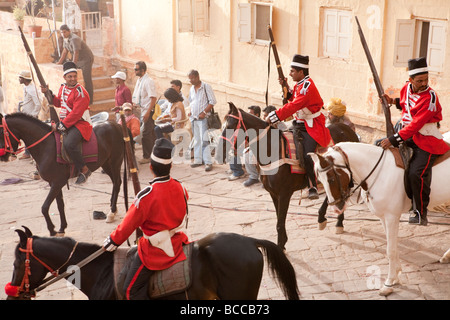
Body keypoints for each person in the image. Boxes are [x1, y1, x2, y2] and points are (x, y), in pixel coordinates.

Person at [103, 138, 189, 300]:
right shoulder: (181, 187)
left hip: (155, 250)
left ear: (151, 168)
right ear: (170, 166)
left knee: (130, 291)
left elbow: (128, 224)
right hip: (177, 241)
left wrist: (112, 241)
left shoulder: (147, 195)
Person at [380, 57, 449, 226]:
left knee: (416, 173)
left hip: (426, 140)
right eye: (420, 80)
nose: (424, 83)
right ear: (410, 80)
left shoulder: (431, 97)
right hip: (406, 135)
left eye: (426, 79)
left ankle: (419, 212)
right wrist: (392, 101)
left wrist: (394, 139)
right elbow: (405, 103)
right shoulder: (406, 88)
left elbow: (416, 123)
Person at [266, 54, 331, 200]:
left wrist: (273, 116)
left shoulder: (307, 86)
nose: (290, 74)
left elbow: (294, 105)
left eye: (292, 71)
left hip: (312, 126)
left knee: (308, 154)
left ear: (301, 72)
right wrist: (286, 88)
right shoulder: (301, 84)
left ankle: (312, 184)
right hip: (299, 123)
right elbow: (294, 97)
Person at [41, 61, 93, 184]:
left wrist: (61, 126)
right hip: (67, 122)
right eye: (70, 76)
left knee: (69, 144)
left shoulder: (81, 92)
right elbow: (59, 102)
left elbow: (76, 114)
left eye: (74, 76)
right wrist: (48, 93)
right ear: (64, 77)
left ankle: (84, 169)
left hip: (80, 123)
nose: (73, 79)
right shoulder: (63, 88)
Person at [57, 25, 95, 104]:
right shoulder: (66, 39)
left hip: (86, 60)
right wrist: (59, 62)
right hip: (79, 60)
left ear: (69, 31)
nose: (63, 34)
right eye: (61, 32)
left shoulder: (74, 39)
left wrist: (73, 65)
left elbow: (76, 52)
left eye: (64, 32)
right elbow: (65, 51)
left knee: (86, 79)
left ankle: (90, 100)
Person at [187, 70, 216, 172]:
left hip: (203, 118)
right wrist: (190, 111)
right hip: (194, 118)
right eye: (189, 78)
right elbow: (191, 101)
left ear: (198, 76)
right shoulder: (191, 88)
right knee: (197, 140)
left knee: (204, 140)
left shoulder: (206, 87)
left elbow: (212, 101)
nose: (191, 80)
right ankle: (198, 160)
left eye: (193, 78)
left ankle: (208, 162)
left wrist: (204, 112)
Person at [132, 61, 158, 164]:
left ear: (142, 70)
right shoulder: (140, 80)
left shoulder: (148, 81)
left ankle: (147, 156)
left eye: (136, 69)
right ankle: (153, 154)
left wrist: (148, 113)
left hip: (148, 111)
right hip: (141, 110)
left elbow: (153, 98)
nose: (134, 71)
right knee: (150, 134)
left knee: (146, 134)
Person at [18, 70, 42, 160]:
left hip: (30, 117)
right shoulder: (26, 87)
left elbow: (38, 104)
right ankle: (27, 153)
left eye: (20, 77)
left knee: (31, 137)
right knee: (26, 135)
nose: (19, 79)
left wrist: (33, 116)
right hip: (26, 116)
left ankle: (33, 155)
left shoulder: (32, 89)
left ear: (24, 79)